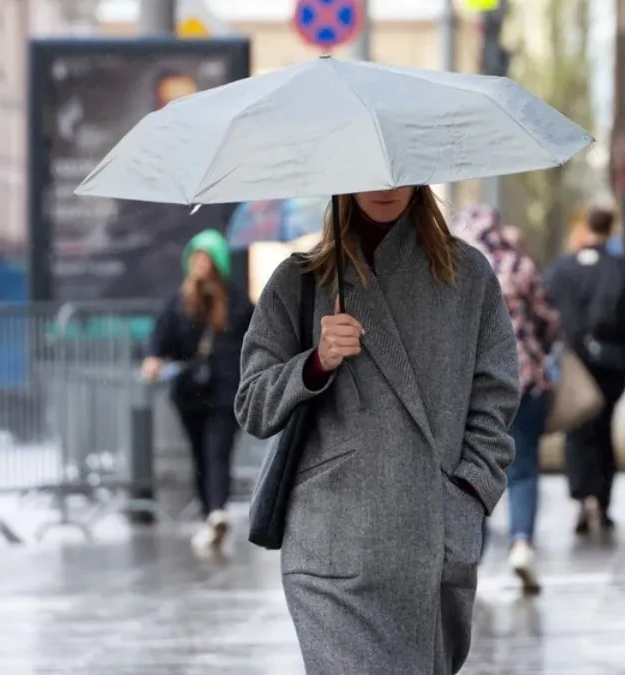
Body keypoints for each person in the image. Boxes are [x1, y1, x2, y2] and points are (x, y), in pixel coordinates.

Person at [234, 186, 520, 673]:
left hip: (430, 543)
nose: (385, 187)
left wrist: (468, 493)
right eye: (368, 173)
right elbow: (252, 406)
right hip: (329, 551)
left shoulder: (468, 276)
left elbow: (496, 396)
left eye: (399, 172)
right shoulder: (299, 281)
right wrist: (315, 363)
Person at [457, 205, 561, 595]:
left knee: (472, 468)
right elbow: (549, 320)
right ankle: (521, 544)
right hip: (524, 383)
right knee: (524, 468)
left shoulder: (455, 269)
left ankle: (472, 556)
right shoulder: (519, 265)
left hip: (471, 388)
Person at [141, 229, 254, 554]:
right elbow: (160, 337)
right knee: (199, 456)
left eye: (206, 257)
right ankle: (211, 516)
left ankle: (217, 510)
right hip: (190, 393)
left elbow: (255, 338)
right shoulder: (179, 301)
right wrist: (153, 359)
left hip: (226, 392)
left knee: (217, 452)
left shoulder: (235, 301)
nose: (200, 264)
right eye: (196, 257)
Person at [545, 207, 625, 535]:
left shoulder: (561, 270)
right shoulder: (621, 269)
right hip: (610, 368)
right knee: (604, 430)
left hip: (572, 366)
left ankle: (581, 497)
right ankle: (602, 501)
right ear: (611, 228)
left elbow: (544, 313)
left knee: (577, 432)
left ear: (583, 228)